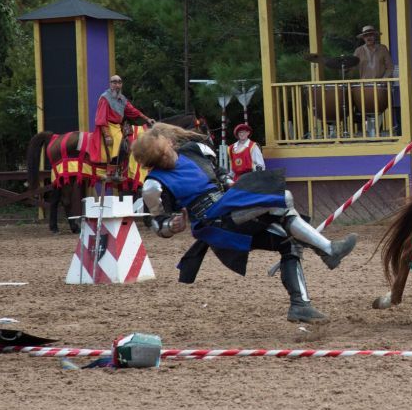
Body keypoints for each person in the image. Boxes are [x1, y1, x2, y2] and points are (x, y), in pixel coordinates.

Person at [132, 123, 357, 323]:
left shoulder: (192, 151)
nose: (165, 159)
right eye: (159, 159)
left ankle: (300, 305)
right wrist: (172, 226)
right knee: (282, 199)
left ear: (170, 143)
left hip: (232, 205)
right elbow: (157, 224)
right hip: (216, 224)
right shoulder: (154, 184)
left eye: (165, 153)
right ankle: (328, 250)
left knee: (288, 242)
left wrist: (230, 183)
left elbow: (219, 173)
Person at [92, 74, 154, 178]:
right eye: (114, 82)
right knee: (119, 141)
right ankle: (115, 171)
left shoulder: (122, 98)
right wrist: (107, 134)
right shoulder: (105, 98)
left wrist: (147, 119)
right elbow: (101, 118)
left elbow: (133, 110)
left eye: (119, 83)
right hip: (109, 125)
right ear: (110, 84)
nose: (117, 85)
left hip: (119, 126)